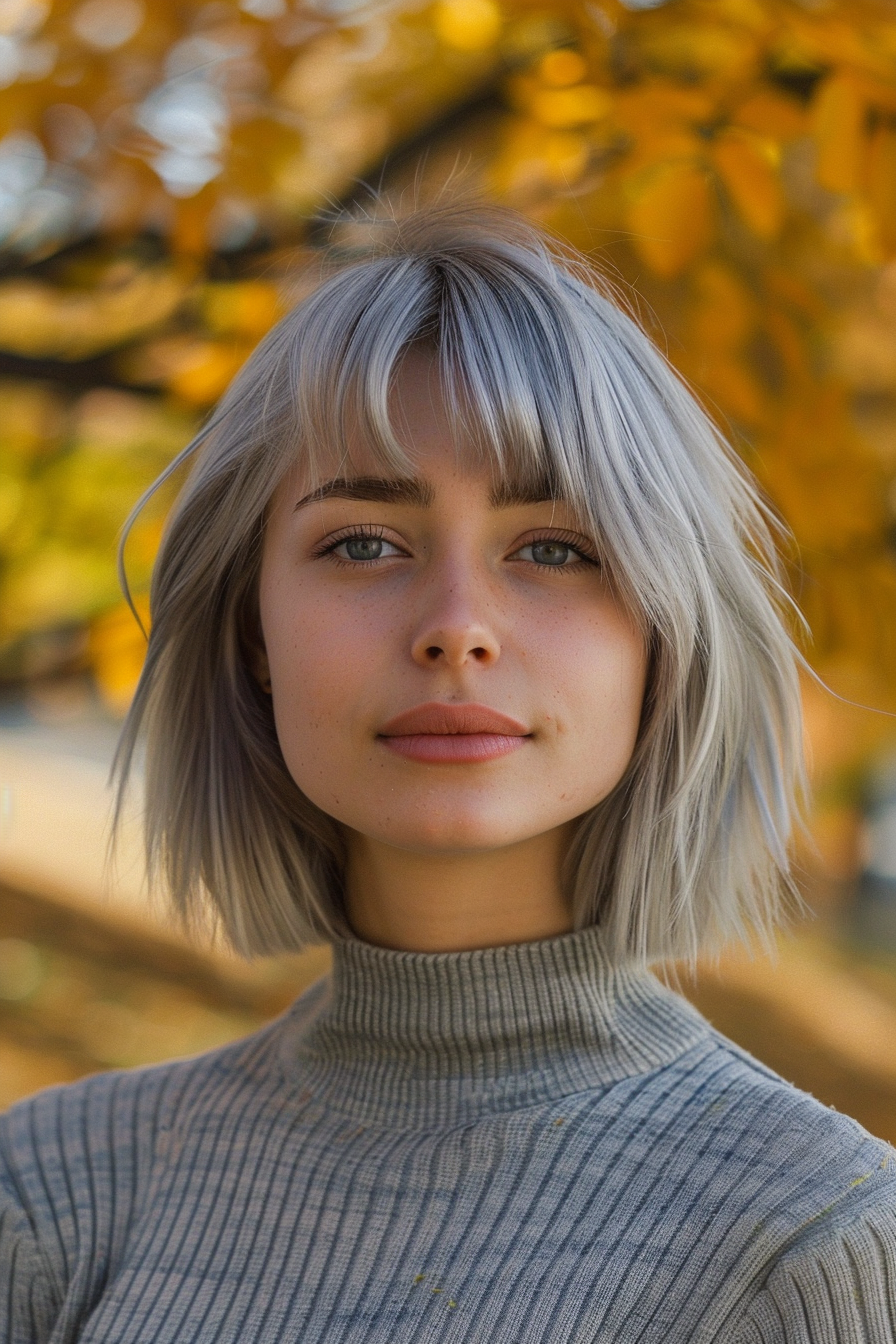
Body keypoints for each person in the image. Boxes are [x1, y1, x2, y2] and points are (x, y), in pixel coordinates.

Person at [1, 202, 894, 1344]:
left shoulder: (809, 1243)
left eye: (555, 548)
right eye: (362, 542)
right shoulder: (53, 1201)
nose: (455, 628)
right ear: (250, 635)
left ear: (662, 642)